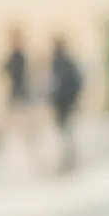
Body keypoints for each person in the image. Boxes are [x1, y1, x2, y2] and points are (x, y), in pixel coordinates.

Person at [0, 25, 37, 165]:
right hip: (17, 94)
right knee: (11, 123)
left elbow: (17, 72)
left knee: (21, 124)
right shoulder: (16, 55)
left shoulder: (19, 56)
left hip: (20, 94)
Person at [47, 34, 84, 173]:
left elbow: (75, 82)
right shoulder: (56, 61)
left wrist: (74, 99)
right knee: (64, 130)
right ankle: (67, 157)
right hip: (60, 102)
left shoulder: (66, 62)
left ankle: (70, 157)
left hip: (66, 101)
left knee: (67, 130)